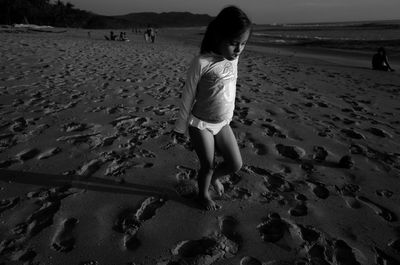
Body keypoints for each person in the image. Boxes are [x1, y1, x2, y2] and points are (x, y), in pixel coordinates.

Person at [172, 6, 252, 210]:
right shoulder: (202, 62)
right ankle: (203, 194)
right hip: (201, 124)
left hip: (222, 123)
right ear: (218, 37)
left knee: (235, 164)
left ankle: (214, 179)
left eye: (243, 43)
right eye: (233, 43)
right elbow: (188, 95)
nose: (238, 49)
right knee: (207, 165)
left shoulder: (234, 58)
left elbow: (229, 89)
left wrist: (229, 116)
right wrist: (180, 128)